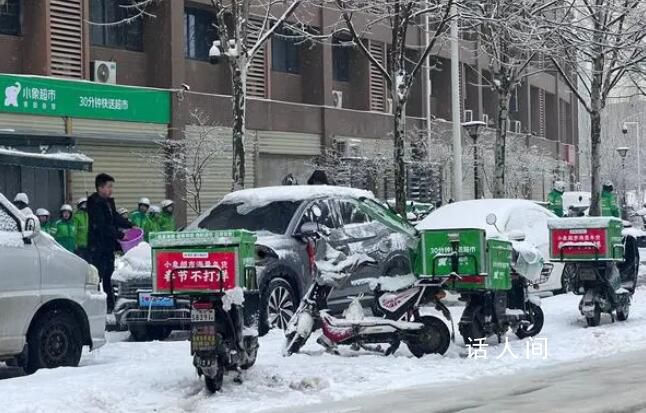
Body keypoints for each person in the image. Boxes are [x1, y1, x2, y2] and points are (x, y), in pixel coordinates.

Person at [87, 173, 132, 312]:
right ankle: (94, 305)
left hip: (108, 246)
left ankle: (110, 305)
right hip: (98, 246)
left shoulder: (108, 202)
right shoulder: (94, 203)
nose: (111, 190)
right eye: (108, 187)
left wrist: (130, 225)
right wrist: (120, 234)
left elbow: (115, 218)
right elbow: (102, 225)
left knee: (109, 275)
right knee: (97, 276)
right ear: (100, 188)